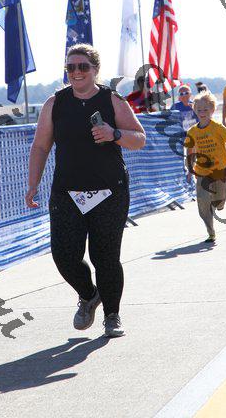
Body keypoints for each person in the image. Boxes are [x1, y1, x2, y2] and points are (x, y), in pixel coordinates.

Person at [25, 44, 146, 338]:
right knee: (64, 255)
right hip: (67, 192)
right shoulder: (55, 103)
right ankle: (89, 294)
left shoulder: (112, 100)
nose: (76, 72)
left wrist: (114, 134)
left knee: (105, 256)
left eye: (83, 67)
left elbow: (139, 138)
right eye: (71, 67)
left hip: (109, 191)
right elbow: (40, 146)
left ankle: (112, 315)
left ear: (95, 69)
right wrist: (33, 184)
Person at [185, 92, 226, 244]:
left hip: (219, 170)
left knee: (218, 202)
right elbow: (190, 151)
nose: (202, 113)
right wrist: (190, 169)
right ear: (195, 110)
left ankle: (218, 204)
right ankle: (211, 232)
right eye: (199, 110)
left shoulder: (218, 128)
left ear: (212, 110)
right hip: (202, 172)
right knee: (202, 202)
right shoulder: (192, 131)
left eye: (205, 110)